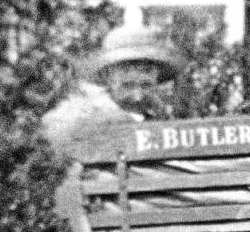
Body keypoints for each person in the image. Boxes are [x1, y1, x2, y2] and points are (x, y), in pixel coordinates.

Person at [42, 25, 182, 147]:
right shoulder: (77, 114)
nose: (137, 96)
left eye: (146, 86)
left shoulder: (161, 119)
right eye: (127, 86)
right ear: (108, 77)